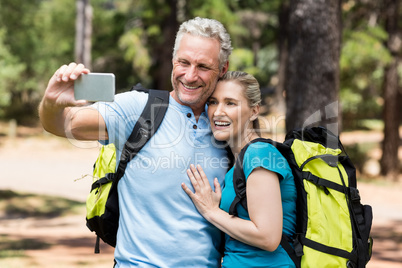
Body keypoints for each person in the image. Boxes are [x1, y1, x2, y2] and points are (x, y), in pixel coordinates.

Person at [39, 17, 233, 267]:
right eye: (183, 62)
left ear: (223, 69)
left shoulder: (228, 126)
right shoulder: (138, 108)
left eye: (203, 66)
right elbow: (61, 125)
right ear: (174, 60)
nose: (190, 75)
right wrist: (51, 104)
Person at [181, 71, 297, 267]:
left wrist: (212, 212)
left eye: (230, 103)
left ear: (254, 111)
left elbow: (268, 237)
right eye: (213, 102)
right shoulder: (240, 160)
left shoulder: (259, 154)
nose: (218, 112)